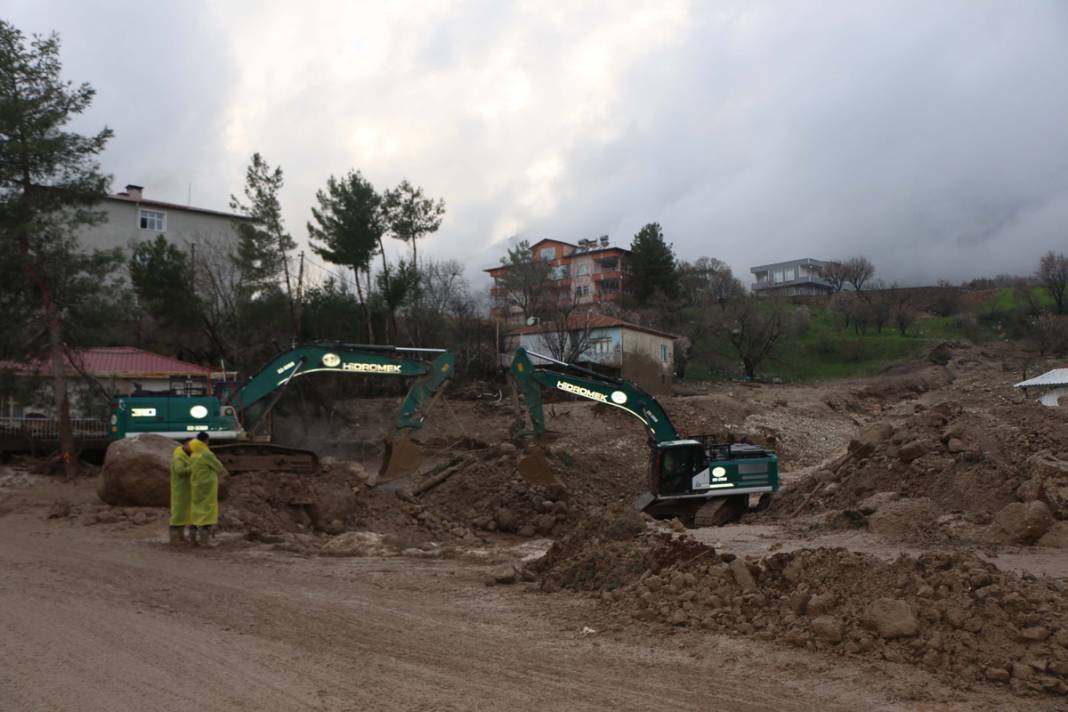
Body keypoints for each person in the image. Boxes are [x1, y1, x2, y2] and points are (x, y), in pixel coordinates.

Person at [188, 432, 223, 546]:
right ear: (206, 440)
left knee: (195, 510)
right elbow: (219, 467)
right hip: (207, 487)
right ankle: (205, 541)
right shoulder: (206, 454)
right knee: (207, 511)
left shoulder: (194, 454)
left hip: (196, 485)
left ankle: (192, 539)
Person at [168, 439, 193, 544]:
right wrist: (193, 467)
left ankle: (181, 536)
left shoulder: (188, 455)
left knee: (184, 514)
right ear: (186, 445)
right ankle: (174, 538)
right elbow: (180, 471)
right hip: (180, 489)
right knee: (178, 514)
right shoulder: (178, 457)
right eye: (191, 445)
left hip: (186, 489)